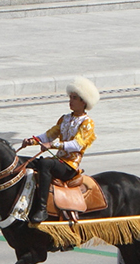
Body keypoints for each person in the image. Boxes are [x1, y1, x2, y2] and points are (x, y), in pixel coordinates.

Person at [22, 77, 99, 224]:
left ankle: (42, 208)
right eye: (70, 98)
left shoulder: (87, 122)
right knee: (26, 162)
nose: (70, 101)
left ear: (84, 102)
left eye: (74, 98)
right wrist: (31, 141)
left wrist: (54, 145)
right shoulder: (64, 119)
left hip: (69, 166)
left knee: (45, 164)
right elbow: (48, 134)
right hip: (58, 162)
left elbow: (78, 145)